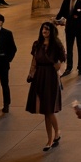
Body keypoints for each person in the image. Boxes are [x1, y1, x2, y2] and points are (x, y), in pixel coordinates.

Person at [25, 21, 65, 150]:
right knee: (45, 110)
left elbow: (62, 62)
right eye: (43, 29)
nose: (44, 31)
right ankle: (51, 138)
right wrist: (31, 74)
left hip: (51, 76)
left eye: (47, 29)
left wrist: (59, 72)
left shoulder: (56, 45)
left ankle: (55, 134)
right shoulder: (37, 44)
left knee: (49, 109)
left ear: (51, 31)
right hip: (40, 76)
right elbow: (34, 61)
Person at [55, 0, 81, 75]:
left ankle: (80, 67)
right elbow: (61, 12)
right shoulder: (66, 1)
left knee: (80, 48)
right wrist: (56, 19)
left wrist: (77, 16)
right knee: (69, 49)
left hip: (79, 29)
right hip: (69, 28)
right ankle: (69, 67)